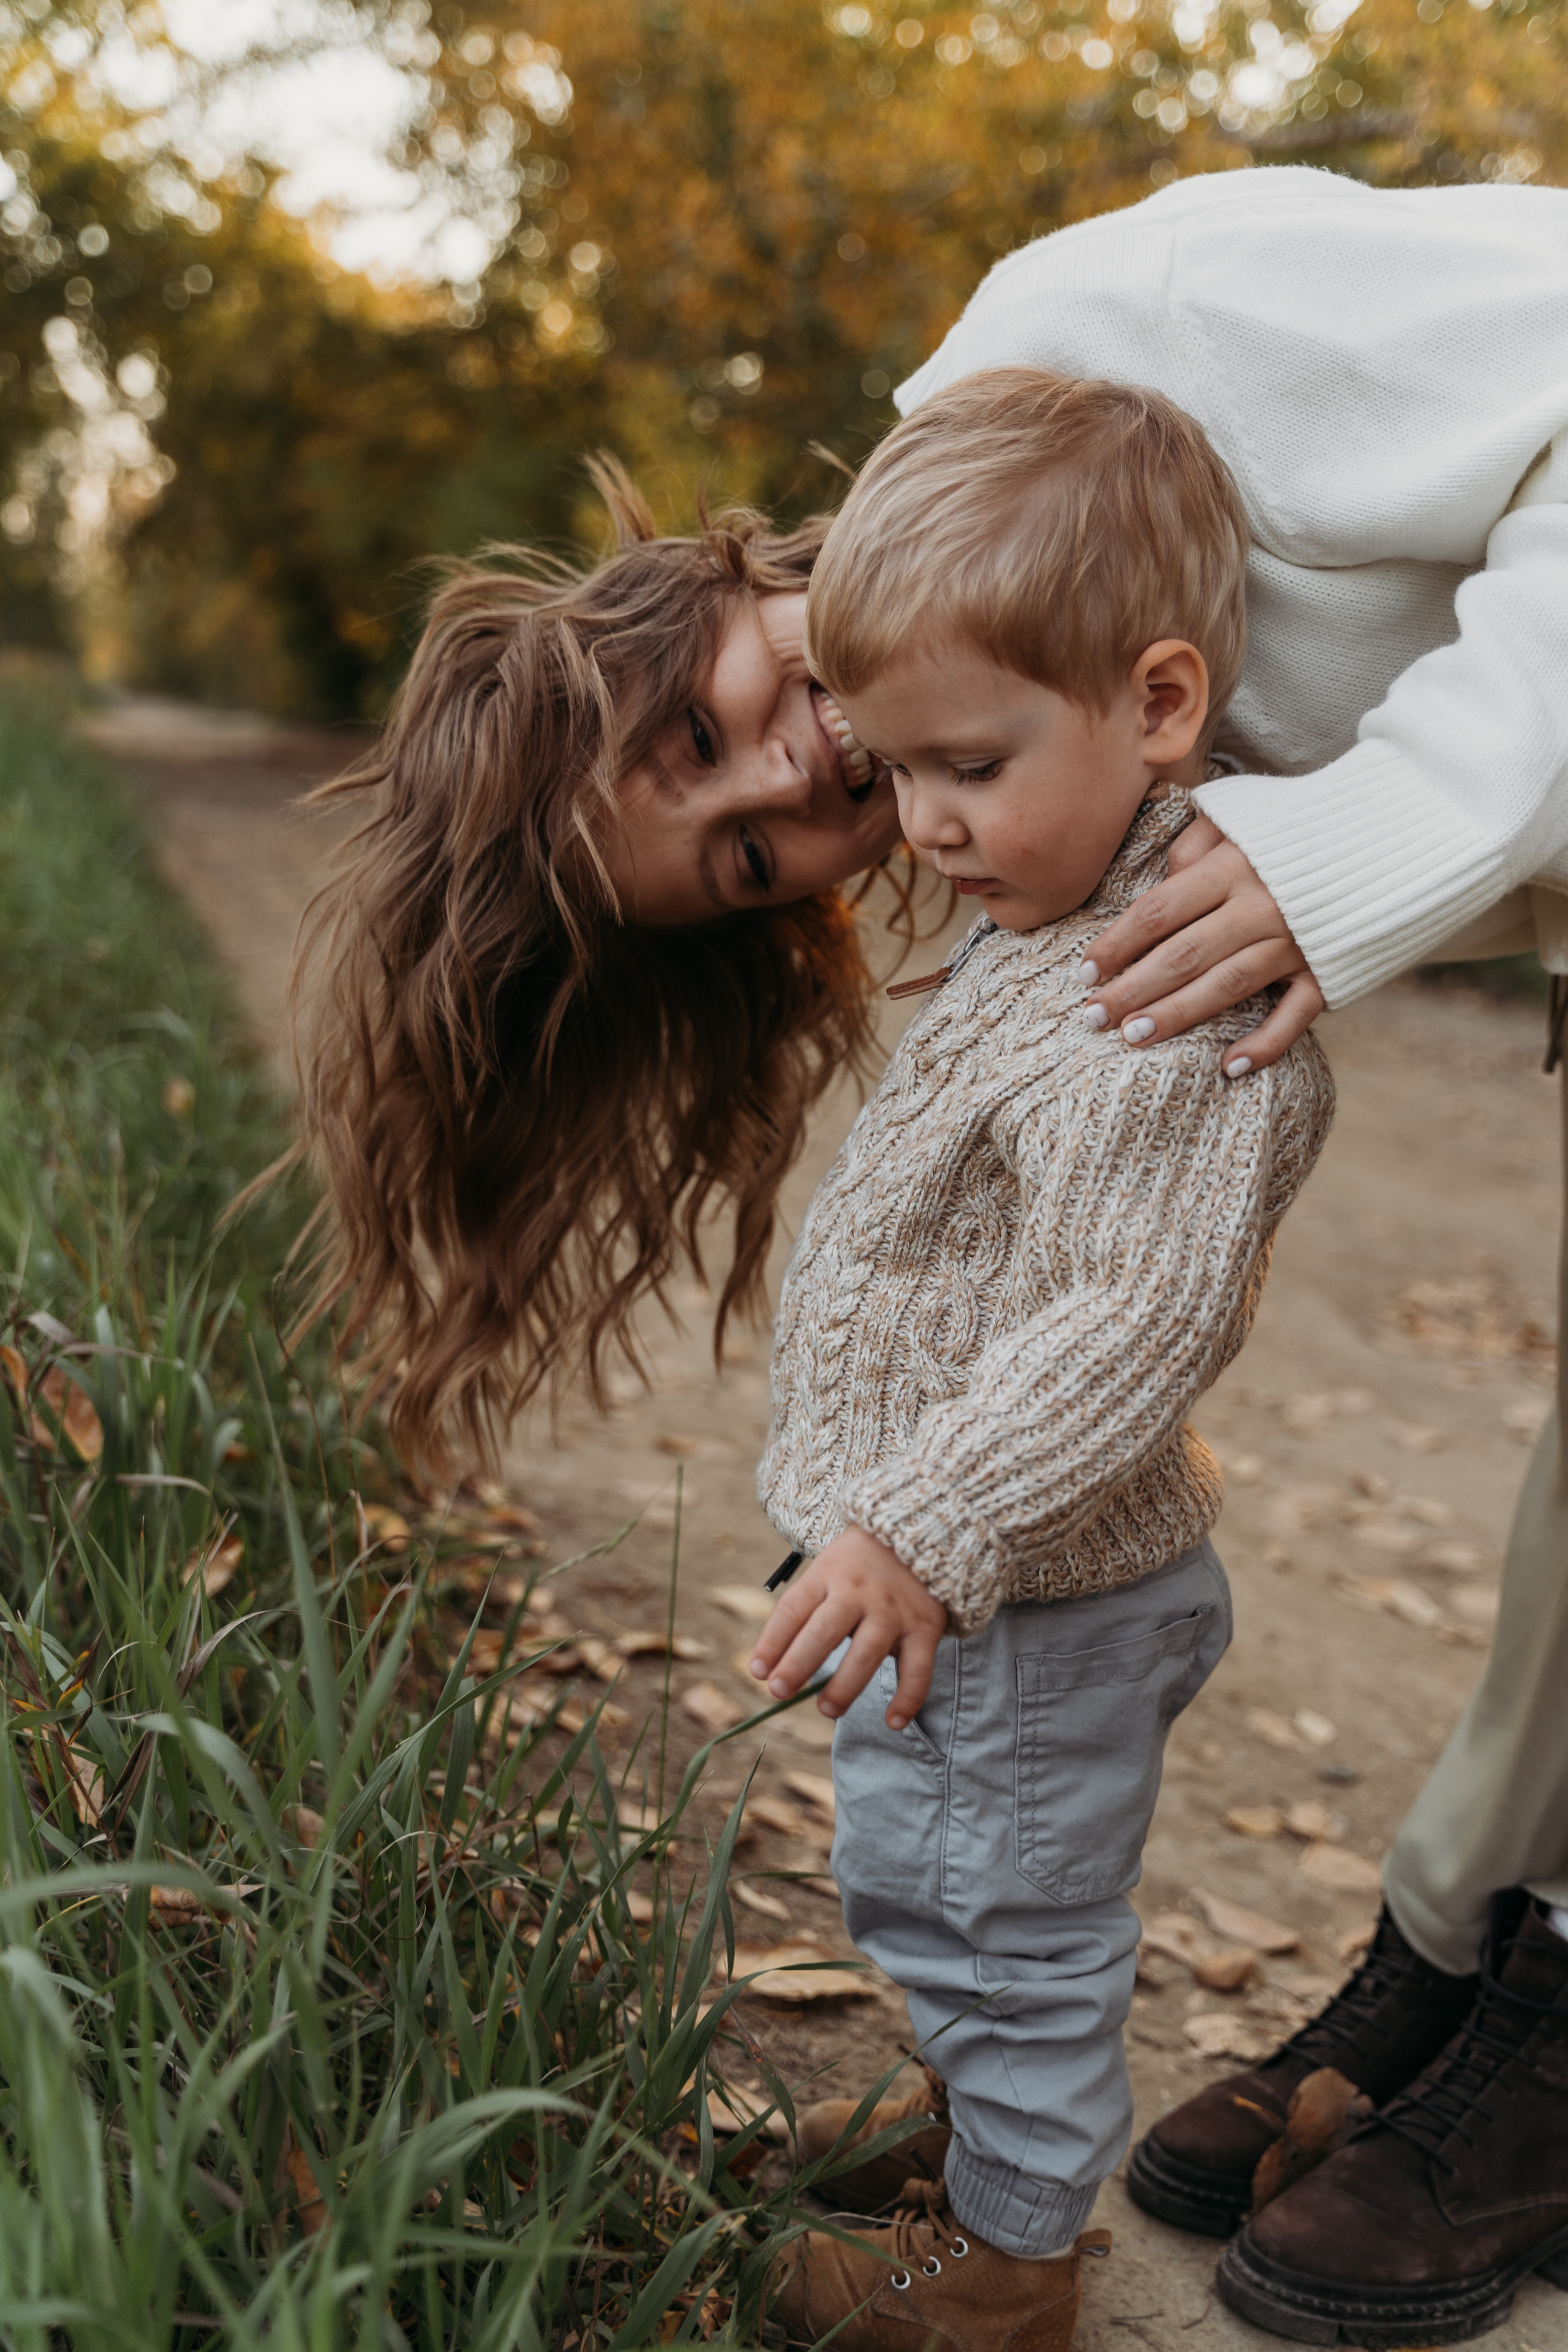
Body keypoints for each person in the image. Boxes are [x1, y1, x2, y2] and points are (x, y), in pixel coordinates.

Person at [296, 164, 1568, 2345]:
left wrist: (1369, 840)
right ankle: (1455, 1965)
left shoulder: (1120, 313)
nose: (807, 783)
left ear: (676, 583)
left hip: (1046, 1567)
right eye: (751, 847)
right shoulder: (1037, 807)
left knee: (1020, 1886)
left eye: (701, 726)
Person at [745, 366, 1335, 2352]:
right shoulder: (1061, 900)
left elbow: (1135, 1313)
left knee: (1005, 1913)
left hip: (1027, 1587)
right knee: (935, 1886)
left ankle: (1003, 2265)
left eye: (968, 767)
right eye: (894, 771)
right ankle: (967, 2121)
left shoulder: (1172, 990)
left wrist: (921, 1517)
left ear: (1159, 705)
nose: (922, 823)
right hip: (974, 1583)